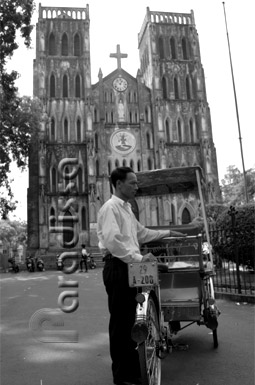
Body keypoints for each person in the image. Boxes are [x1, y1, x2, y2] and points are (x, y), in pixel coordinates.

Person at [97, 167, 185, 385]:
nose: (137, 186)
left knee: (135, 319)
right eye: (133, 183)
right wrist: (138, 258)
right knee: (121, 322)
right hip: (118, 267)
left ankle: (135, 369)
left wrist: (167, 233)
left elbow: (142, 233)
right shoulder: (110, 208)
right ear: (118, 184)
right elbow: (113, 242)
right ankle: (122, 375)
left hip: (131, 266)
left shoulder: (126, 209)